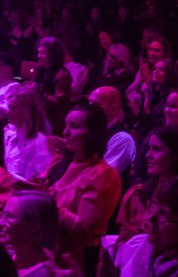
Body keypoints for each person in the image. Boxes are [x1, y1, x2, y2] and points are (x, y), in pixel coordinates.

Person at [51, 103, 124, 265]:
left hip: (77, 261)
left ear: (92, 134)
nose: (65, 132)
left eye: (74, 126)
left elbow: (84, 229)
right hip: (52, 252)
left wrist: (48, 205)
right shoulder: (62, 164)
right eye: (66, 125)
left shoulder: (103, 174)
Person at [117, 125, 178, 242]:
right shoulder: (137, 195)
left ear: (176, 154)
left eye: (156, 149)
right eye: (149, 148)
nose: (148, 155)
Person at [3, 88, 54, 185]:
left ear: (27, 111)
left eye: (12, 108)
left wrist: (6, 176)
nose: (7, 113)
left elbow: (36, 183)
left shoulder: (38, 142)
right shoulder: (11, 135)